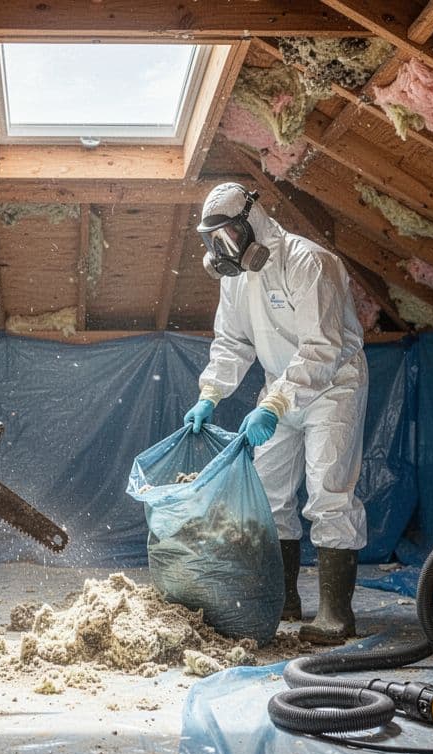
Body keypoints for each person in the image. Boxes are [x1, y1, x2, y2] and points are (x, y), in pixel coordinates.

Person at [183, 182, 368, 645]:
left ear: (254, 223)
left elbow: (322, 349)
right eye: (214, 240)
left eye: (229, 236)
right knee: (269, 495)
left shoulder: (310, 263)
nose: (223, 249)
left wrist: (275, 403)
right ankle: (284, 597)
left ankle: (335, 614)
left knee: (329, 490)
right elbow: (232, 342)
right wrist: (211, 393)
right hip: (279, 389)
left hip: (333, 385)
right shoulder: (236, 279)